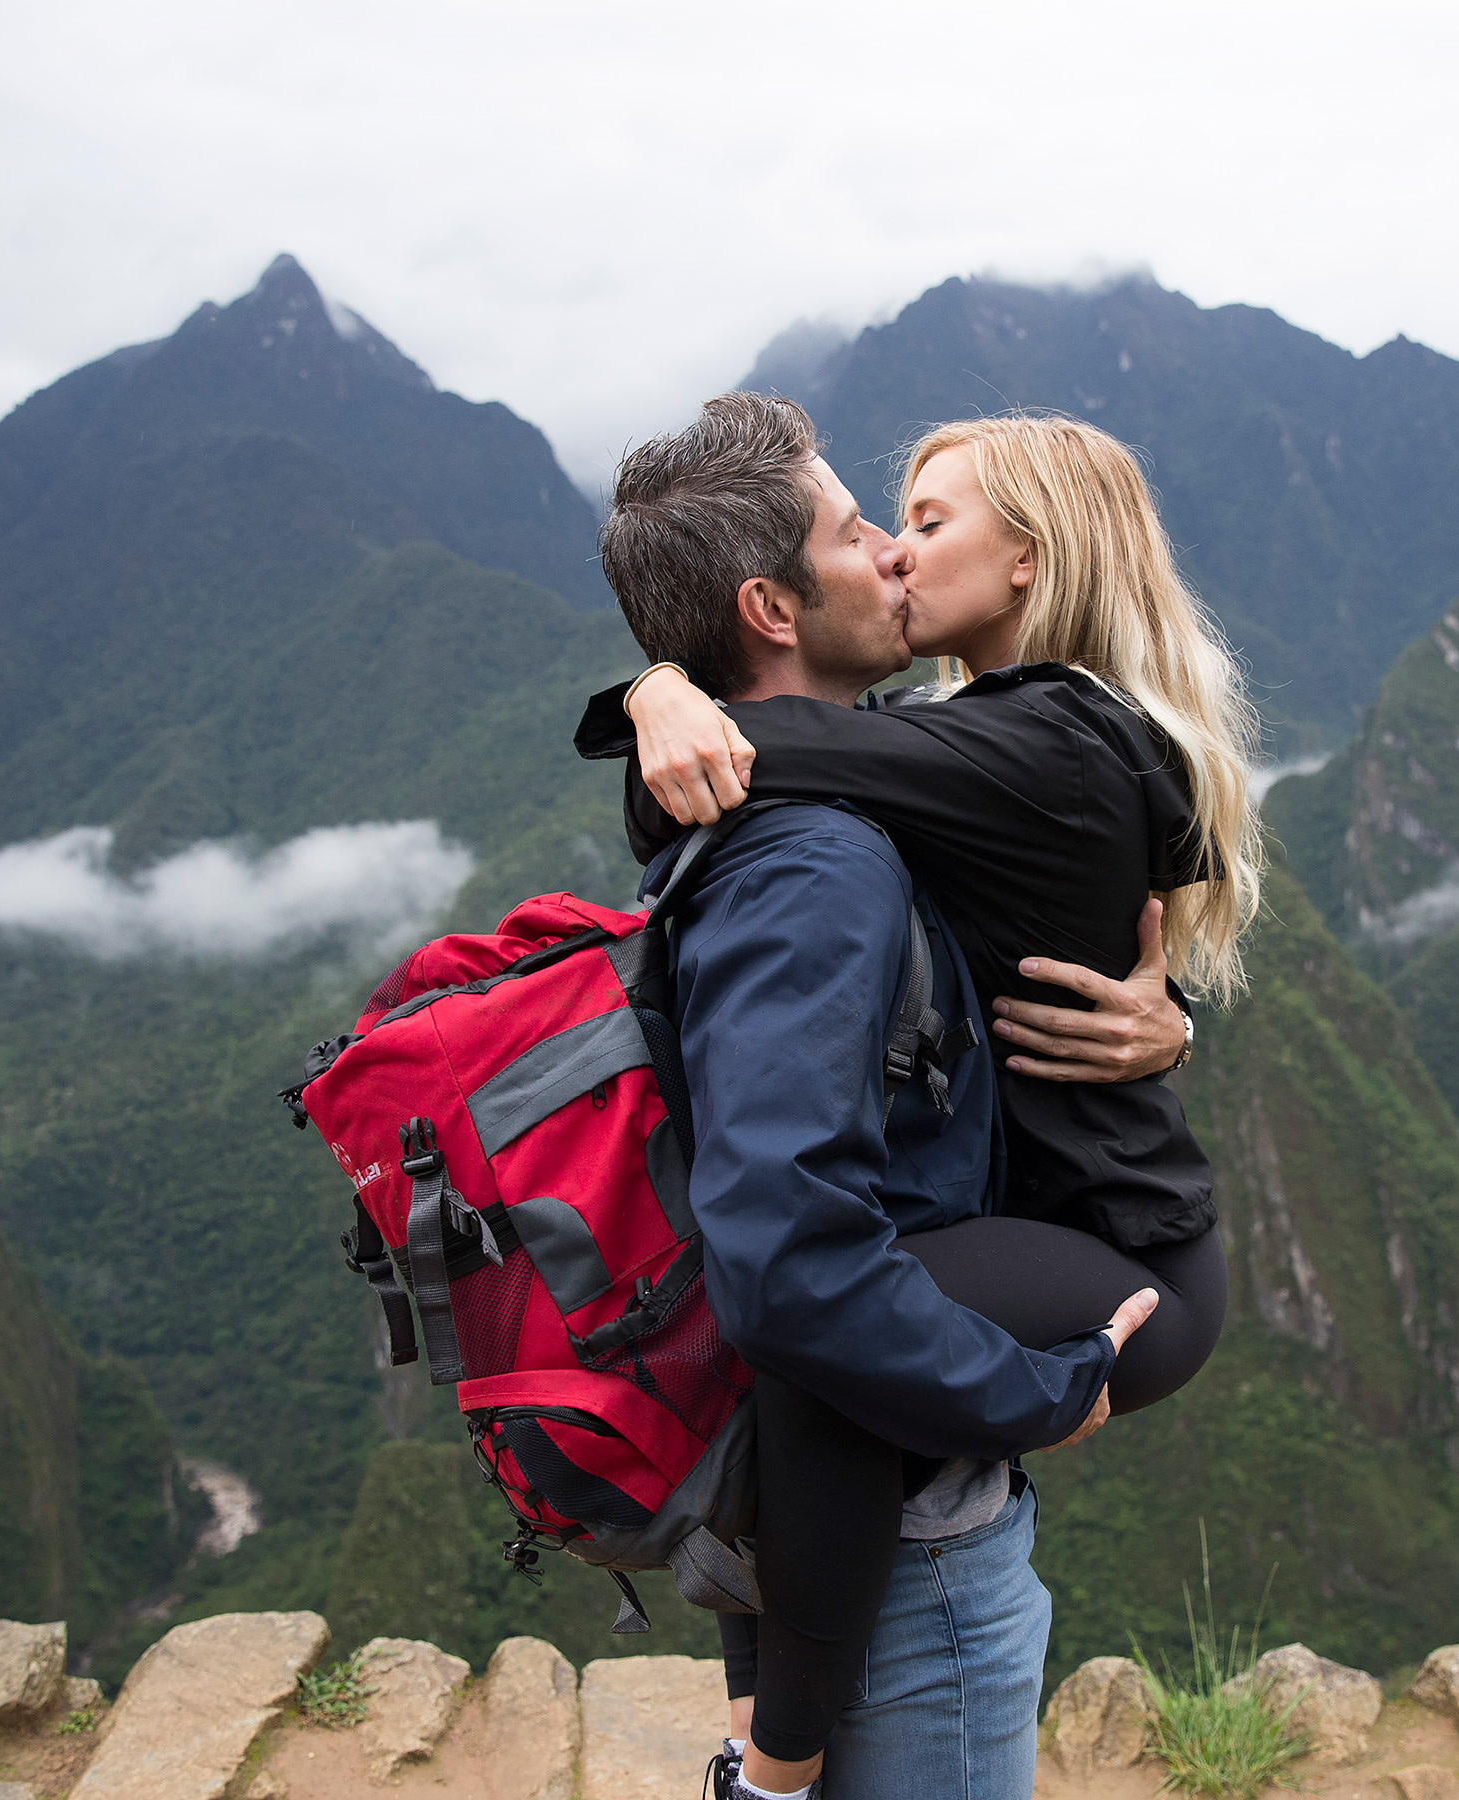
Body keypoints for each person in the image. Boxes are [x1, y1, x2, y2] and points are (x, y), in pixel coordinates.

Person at [584, 400, 1265, 1797]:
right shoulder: (975, 738)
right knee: (810, 1300)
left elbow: (745, 765)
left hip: (1127, 1266)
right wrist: (660, 688)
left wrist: (661, 691)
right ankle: (772, 1749)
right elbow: (746, 773)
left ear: (1032, 560)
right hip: (1069, 1226)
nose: (896, 552)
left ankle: (772, 1766)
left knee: (819, 1305)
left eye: (928, 522)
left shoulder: (1053, 742)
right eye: (873, 528)